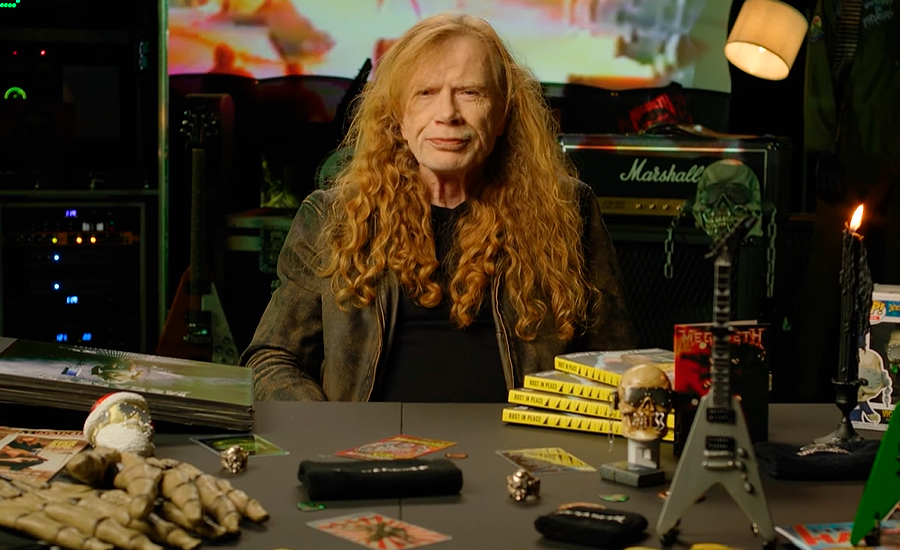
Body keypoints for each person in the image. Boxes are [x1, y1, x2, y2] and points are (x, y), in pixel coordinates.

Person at [241, 13, 637, 402]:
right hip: (367, 443)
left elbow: (617, 365)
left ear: (502, 114)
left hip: (520, 443)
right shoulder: (332, 219)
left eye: (470, 92)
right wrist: (330, 431)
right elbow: (272, 359)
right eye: (426, 93)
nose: (447, 114)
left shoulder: (570, 210)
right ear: (399, 117)